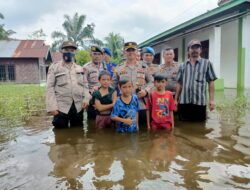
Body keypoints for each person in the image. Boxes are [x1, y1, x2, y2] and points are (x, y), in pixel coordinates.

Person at [46, 41, 89, 128]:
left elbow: (85, 86)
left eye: (72, 50)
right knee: (60, 134)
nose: (69, 52)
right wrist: (52, 107)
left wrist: (86, 99)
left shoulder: (80, 68)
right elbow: (50, 87)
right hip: (61, 107)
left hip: (78, 106)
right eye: (66, 50)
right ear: (62, 51)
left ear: (75, 52)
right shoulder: (54, 67)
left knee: (78, 132)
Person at [175, 39, 217, 121]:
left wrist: (211, 100)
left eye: (197, 48)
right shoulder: (182, 65)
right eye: (192, 48)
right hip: (184, 102)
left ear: (200, 50)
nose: (194, 50)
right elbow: (179, 83)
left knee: (200, 128)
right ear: (188, 51)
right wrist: (175, 100)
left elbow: (211, 82)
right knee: (183, 125)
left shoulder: (207, 63)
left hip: (200, 103)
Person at [112, 42, 152, 126]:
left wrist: (146, 91)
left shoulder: (143, 67)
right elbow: (112, 86)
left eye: (133, 50)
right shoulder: (118, 68)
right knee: (125, 131)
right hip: (124, 106)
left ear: (137, 51)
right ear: (124, 52)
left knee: (143, 132)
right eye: (128, 50)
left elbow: (151, 82)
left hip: (141, 104)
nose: (130, 52)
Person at [83, 45, 106, 119]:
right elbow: (84, 84)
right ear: (91, 55)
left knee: (105, 119)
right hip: (92, 98)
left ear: (102, 56)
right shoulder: (86, 67)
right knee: (92, 122)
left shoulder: (104, 66)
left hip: (104, 98)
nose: (97, 56)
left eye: (99, 54)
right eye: (95, 54)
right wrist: (87, 99)